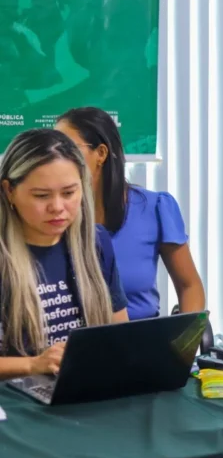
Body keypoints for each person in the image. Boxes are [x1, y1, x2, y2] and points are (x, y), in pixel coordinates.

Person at [0, 129, 128, 379]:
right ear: (9, 191)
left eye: (69, 193)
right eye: (41, 196)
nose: (57, 207)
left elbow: (120, 332)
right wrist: (33, 365)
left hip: (88, 386)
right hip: (15, 395)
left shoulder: (96, 243)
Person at [55, 107, 205, 320]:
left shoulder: (154, 207)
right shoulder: (55, 213)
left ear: (101, 153)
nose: (56, 157)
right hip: (73, 336)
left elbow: (189, 285)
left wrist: (186, 335)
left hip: (141, 335)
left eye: (67, 148)